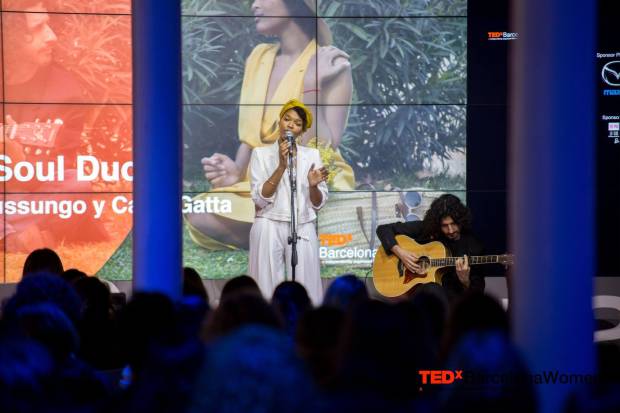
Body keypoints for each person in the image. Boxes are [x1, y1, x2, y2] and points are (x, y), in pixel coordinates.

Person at [185, 0, 354, 250]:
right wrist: (236, 170)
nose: (254, 6)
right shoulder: (258, 56)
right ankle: (292, 234)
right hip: (262, 182)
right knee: (198, 211)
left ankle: (280, 231)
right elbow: (251, 136)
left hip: (310, 179)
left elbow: (321, 149)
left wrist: (311, 88)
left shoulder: (332, 62)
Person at [248, 99, 327, 304]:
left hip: (301, 225)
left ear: (302, 131)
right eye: (287, 119)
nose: (291, 125)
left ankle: (306, 328)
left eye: (297, 123)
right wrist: (282, 166)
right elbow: (260, 198)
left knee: (306, 286)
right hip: (268, 222)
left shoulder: (312, 155)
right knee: (265, 285)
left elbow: (318, 203)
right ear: (280, 122)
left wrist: (312, 186)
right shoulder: (261, 154)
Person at [376, 194, 485, 302]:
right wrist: (401, 253)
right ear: (437, 224)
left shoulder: (474, 246)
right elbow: (383, 229)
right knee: (431, 289)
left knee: (433, 289)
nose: (451, 230)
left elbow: (477, 295)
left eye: (454, 224)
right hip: (420, 299)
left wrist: (465, 281)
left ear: (461, 221)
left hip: (451, 303)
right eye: (444, 226)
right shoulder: (426, 229)